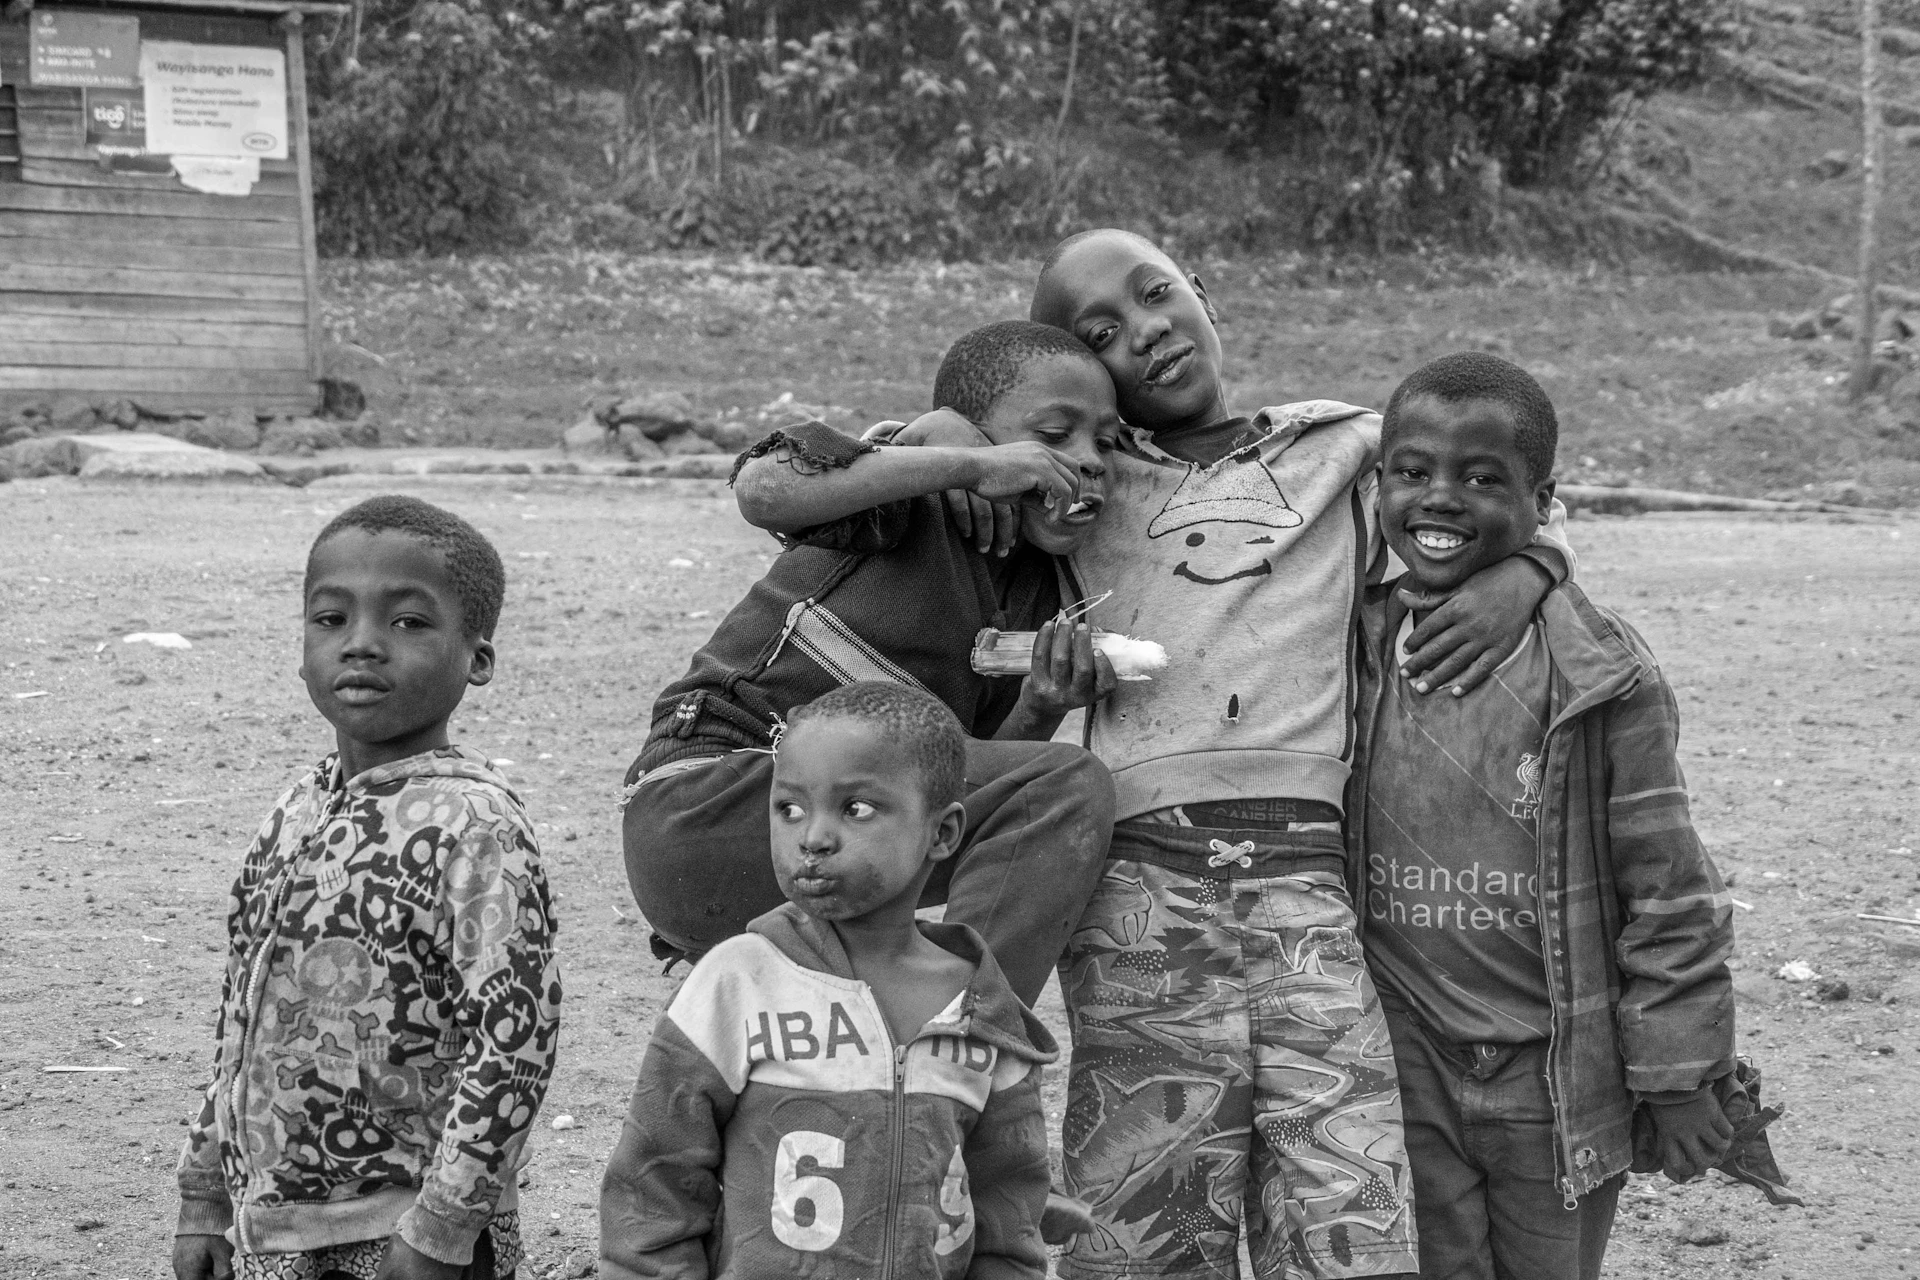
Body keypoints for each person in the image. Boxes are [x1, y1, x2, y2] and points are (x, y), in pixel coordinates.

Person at [877, 230, 1584, 1280]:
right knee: (1146, 1222)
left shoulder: (1346, 446)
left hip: (1311, 888)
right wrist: (961, 451)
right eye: (1099, 334)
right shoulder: (1074, 480)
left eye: (1155, 293)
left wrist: (1529, 571)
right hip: (1136, 896)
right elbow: (913, 455)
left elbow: (1507, 490)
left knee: (1350, 1209)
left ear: (1201, 292)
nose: (1144, 332)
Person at [1348, 351, 1738, 1279]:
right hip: (1404, 1056)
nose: (1440, 499)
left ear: (1543, 501)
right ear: (1378, 485)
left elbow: (1669, 887)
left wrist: (1680, 1073)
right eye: (1412, 472)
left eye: (1483, 480)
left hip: (1556, 1078)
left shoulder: (1601, 675)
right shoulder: (1349, 642)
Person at [620, 320, 1120, 1008]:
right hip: (708, 808)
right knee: (1064, 786)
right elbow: (762, 487)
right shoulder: (907, 494)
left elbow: (963, 788)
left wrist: (1039, 706)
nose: (1088, 459)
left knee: (1025, 794)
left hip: (831, 836)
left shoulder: (1040, 594)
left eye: (1108, 442)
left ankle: (919, 1035)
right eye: (1055, 434)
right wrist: (961, 462)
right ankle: (968, 1034)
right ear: (977, 435)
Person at [173, 495, 560, 1280]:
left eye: (408, 622)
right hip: (276, 1226)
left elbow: (515, 1040)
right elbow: (241, 1016)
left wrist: (443, 1227)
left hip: (411, 1229)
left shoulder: (475, 827)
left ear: (477, 659)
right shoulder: (295, 809)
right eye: (331, 618)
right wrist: (205, 1193)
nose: (361, 644)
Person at [600, 682, 1057, 1280]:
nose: (812, 838)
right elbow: (652, 1189)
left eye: (856, 809)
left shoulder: (981, 1009)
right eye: (789, 809)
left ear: (942, 833)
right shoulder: (739, 982)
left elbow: (1008, 1216)